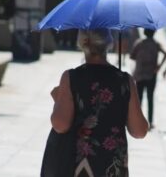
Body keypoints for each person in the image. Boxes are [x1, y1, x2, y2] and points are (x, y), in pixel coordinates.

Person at [49, 29, 148, 176]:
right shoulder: (124, 81)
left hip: (80, 166)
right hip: (112, 167)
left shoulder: (71, 77)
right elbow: (139, 131)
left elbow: (60, 125)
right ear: (108, 43)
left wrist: (58, 100)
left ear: (82, 42)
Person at [130, 29, 166, 130]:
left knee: (139, 99)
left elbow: (132, 56)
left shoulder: (139, 43)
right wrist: (158, 67)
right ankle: (150, 122)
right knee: (150, 98)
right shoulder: (156, 44)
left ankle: (138, 121)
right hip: (151, 74)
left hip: (140, 74)